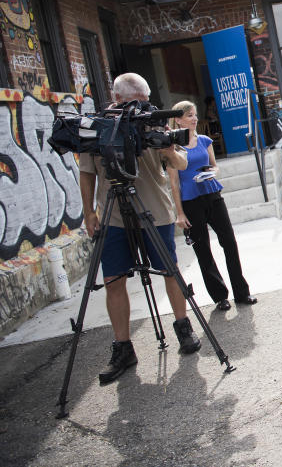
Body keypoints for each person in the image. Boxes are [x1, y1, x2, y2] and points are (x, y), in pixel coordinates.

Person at [78, 73, 201, 386]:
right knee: (113, 280)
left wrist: (167, 148)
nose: (144, 105)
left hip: (154, 211)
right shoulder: (98, 126)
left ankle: (183, 327)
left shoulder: (154, 120)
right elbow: (87, 172)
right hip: (113, 214)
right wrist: (89, 211)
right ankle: (123, 348)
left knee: (170, 271)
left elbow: (181, 163)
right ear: (118, 98)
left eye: (146, 99)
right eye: (139, 100)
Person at [168, 100, 257, 312]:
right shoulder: (172, 147)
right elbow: (173, 183)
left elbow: (215, 167)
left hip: (212, 195)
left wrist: (210, 172)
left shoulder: (205, 140)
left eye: (195, 114)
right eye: (189, 115)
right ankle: (219, 297)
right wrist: (179, 213)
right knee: (203, 250)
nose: (194, 118)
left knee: (229, 242)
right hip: (190, 202)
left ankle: (241, 292)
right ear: (178, 119)